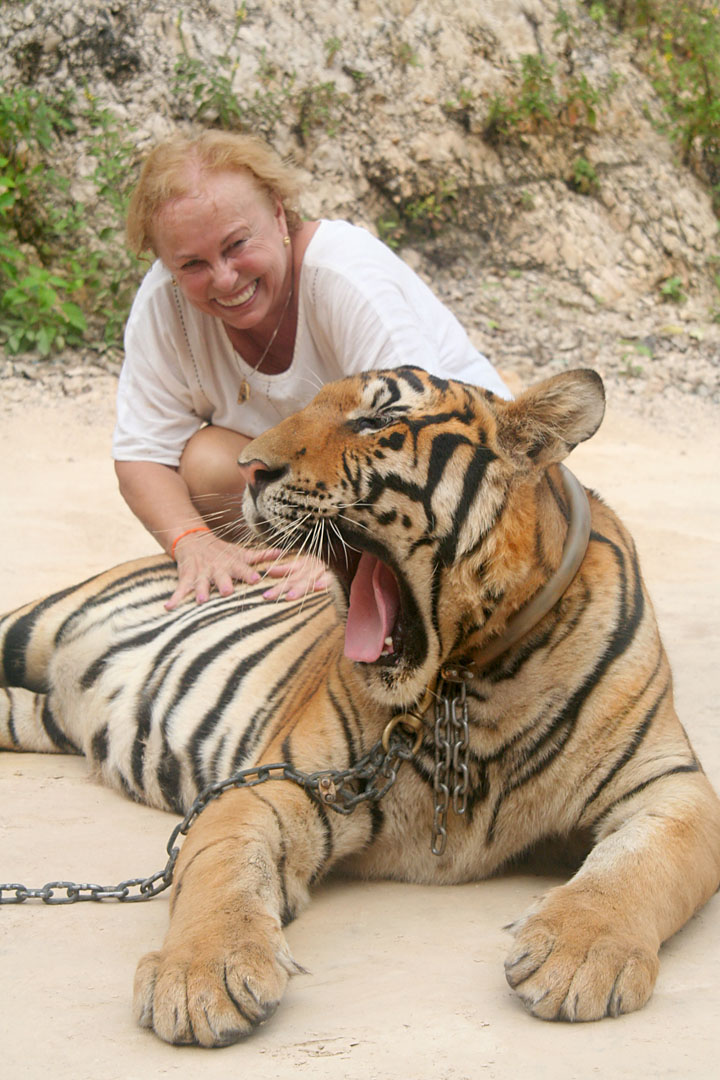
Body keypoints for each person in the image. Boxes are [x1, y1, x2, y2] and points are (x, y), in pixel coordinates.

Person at [114, 130, 510, 610]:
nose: (223, 278)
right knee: (206, 461)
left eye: (237, 244)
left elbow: (418, 439)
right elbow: (141, 454)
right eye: (192, 264)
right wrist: (191, 542)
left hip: (452, 474)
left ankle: (353, 574)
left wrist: (339, 549)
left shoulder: (344, 274)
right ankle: (286, 582)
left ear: (279, 212)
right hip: (321, 485)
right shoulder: (165, 303)